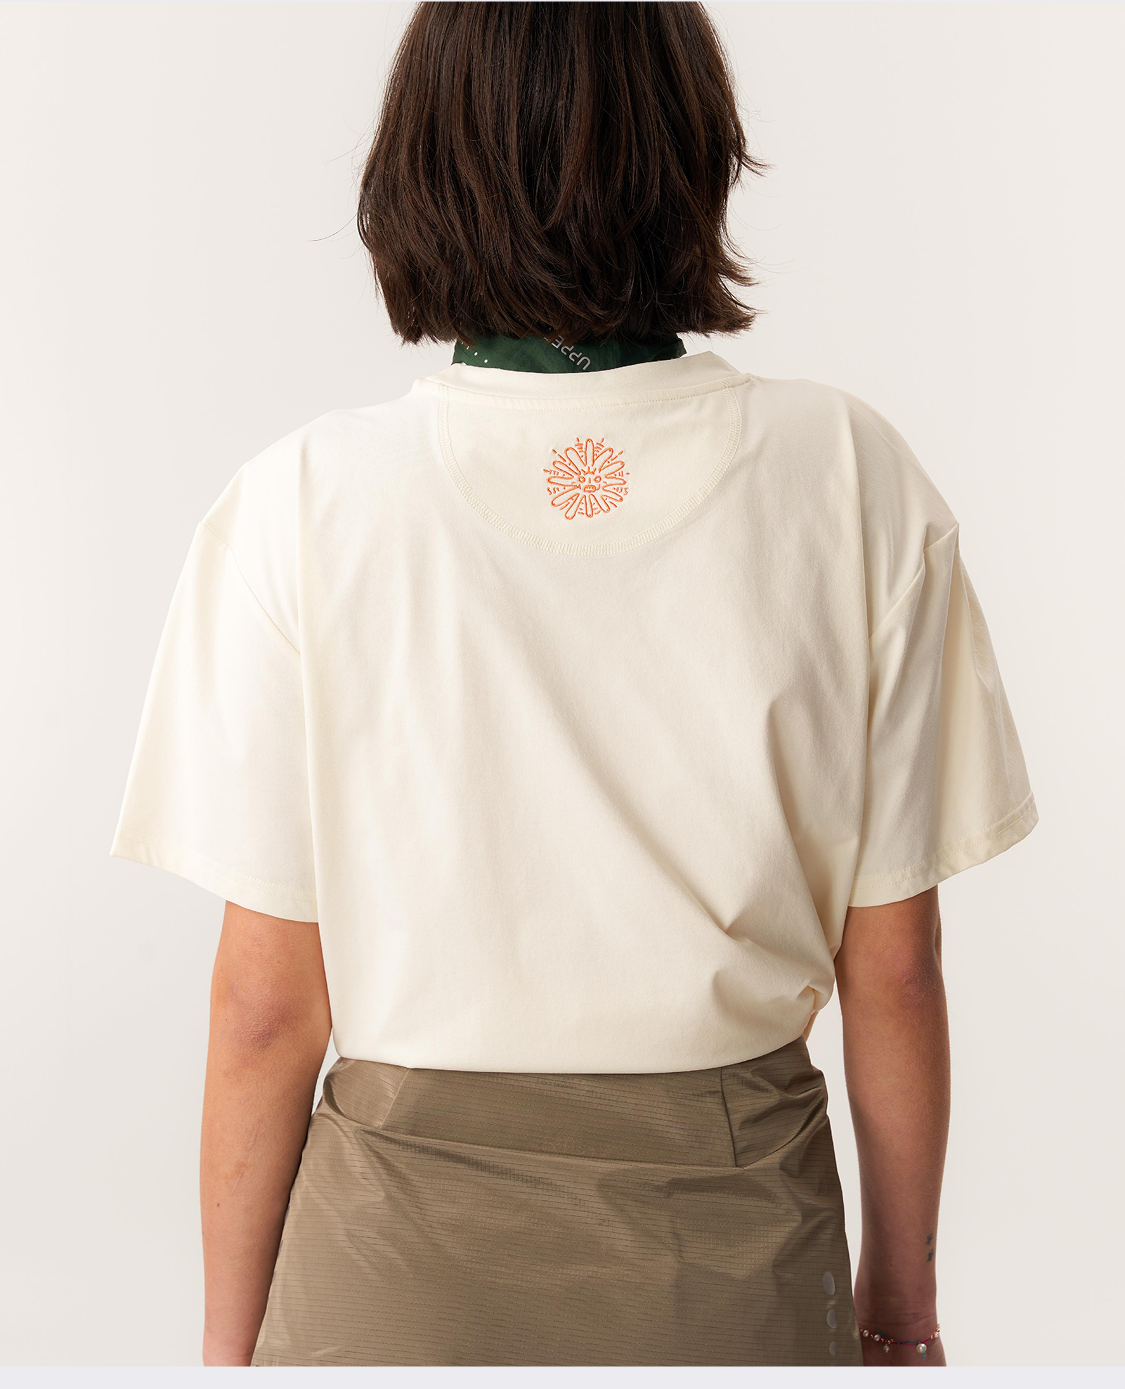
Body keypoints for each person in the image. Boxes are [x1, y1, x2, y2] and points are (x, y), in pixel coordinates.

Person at [110, 0, 1037, 1368]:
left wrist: (228, 1357)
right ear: (696, 151)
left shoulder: (303, 502)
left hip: (389, 1280)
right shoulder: (847, 475)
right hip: (731, 1268)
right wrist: (899, 1311)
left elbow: (264, 1011)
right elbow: (892, 971)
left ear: (418, 163)